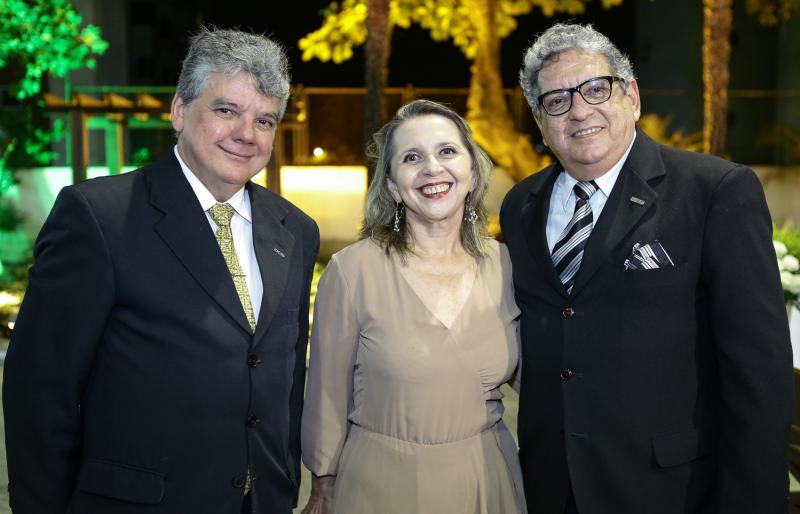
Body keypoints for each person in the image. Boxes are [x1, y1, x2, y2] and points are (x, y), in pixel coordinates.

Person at [3, 28, 319, 514]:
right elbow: (40, 390)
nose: (246, 134)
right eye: (226, 110)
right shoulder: (99, 217)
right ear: (178, 110)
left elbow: (285, 381)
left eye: (264, 120)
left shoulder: (295, 231)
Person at [500, 22, 793, 514]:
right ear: (540, 122)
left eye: (596, 88)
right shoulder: (520, 206)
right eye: (557, 100)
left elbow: (759, 373)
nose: (580, 110)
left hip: (671, 491)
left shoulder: (713, 191)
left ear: (631, 96)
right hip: (550, 487)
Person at [300, 99, 525, 514]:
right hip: (383, 486)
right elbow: (327, 396)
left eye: (447, 151)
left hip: (488, 482)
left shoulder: (508, 267)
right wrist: (323, 483)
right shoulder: (353, 271)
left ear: (473, 172)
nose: (432, 168)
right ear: (391, 185)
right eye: (411, 158)